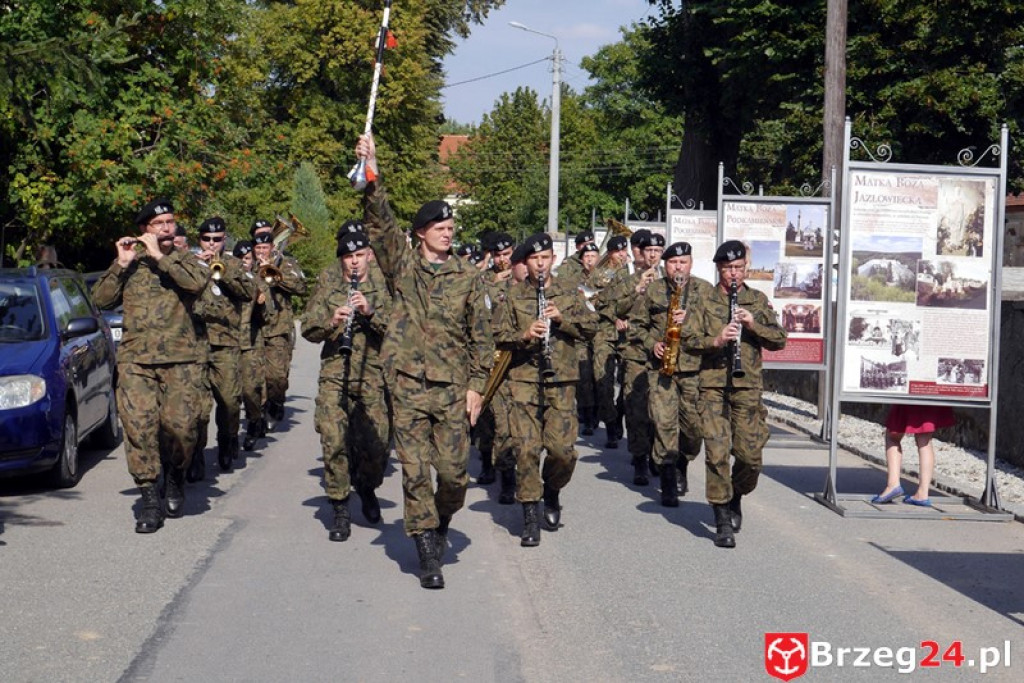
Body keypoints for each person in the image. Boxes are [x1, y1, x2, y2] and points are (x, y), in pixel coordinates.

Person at [357, 132, 493, 590]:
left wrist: (477, 387)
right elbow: (379, 223)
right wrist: (372, 170)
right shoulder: (402, 266)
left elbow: (482, 338)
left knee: (454, 476)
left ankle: (441, 518)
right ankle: (427, 550)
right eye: (439, 227)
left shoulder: (467, 276)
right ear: (420, 233)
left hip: (452, 389)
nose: (447, 232)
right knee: (414, 472)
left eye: (451, 227)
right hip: (408, 385)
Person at [91, 198, 207, 533]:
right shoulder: (131, 263)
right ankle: (150, 501)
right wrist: (120, 263)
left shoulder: (186, 260)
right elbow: (100, 299)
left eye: (171, 222)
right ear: (145, 229)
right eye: (160, 224)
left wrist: (160, 257)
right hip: (136, 362)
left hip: (181, 362)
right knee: (139, 429)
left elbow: (197, 285)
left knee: (182, 430)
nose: (168, 228)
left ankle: (175, 476)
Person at [680, 240, 787, 548]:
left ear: (746, 268)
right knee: (716, 453)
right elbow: (687, 339)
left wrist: (753, 325)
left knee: (750, 456)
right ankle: (722, 517)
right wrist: (715, 341)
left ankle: (736, 494)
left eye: (738, 268)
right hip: (712, 386)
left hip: (748, 386)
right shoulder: (703, 300)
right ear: (719, 269)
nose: (733, 274)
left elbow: (779, 339)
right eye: (728, 268)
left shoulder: (756, 299)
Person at [494, 233, 597, 546]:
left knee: (562, 451)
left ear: (553, 259)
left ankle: (551, 491)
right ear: (526, 263)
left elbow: (591, 327)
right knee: (526, 449)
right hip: (524, 380)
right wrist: (525, 334)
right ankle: (529, 514)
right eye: (534, 259)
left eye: (545, 258)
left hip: (561, 380)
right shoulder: (513, 295)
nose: (540, 264)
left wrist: (562, 320)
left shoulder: (569, 290)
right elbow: (497, 334)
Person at [301, 228, 392, 540]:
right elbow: (308, 328)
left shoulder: (383, 286)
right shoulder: (329, 285)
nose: (354, 262)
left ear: (369, 255)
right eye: (348, 257)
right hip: (335, 374)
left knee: (377, 446)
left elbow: (400, 330)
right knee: (333, 440)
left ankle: (366, 486)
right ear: (341, 260)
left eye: (359, 255)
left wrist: (370, 313)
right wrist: (331, 321)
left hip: (372, 376)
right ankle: (339, 507)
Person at [641, 242, 714, 505]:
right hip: (662, 371)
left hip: (694, 369)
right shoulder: (654, 290)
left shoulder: (705, 290)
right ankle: (668, 478)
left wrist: (689, 321)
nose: (678, 267)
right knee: (663, 423)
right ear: (665, 265)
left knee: (694, 428)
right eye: (673, 262)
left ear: (691, 264)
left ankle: (683, 460)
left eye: (683, 262)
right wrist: (652, 344)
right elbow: (638, 325)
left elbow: (715, 329)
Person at [192, 217, 254, 472]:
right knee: (198, 406)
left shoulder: (234, 264)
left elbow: (249, 292)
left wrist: (223, 271)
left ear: (224, 239)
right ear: (200, 240)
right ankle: (196, 454)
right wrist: (200, 268)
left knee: (229, 401)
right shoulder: (191, 263)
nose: (212, 244)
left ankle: (227, 441)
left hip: (226, 343)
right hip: (197, 342)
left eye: (217, 239)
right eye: (207, 239)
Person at [610, 232, 664, 484]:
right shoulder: (630, 278)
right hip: (635, 351)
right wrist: (637, 289)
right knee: (637, 408)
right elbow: (616, 308)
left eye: (657, 251)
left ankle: (655, 452)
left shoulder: (669, 280)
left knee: (659, 409)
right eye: (648, 250)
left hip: (662, 353)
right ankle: (640, 458)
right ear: (642, 252)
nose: (652, 255)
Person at [251, 221, 306, 427]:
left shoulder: (286, 263)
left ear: (272, 247)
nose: (261, 252)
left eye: (264, 248)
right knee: (255, 378)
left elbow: (301, 287)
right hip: (254, 329)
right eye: (258, 248)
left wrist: (275, 275)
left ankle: (276, 402)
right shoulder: (248, 264)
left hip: (278, 328)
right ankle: (259, 415)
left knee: (277, 377)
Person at [474, 231, 515, 485]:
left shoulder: (520, 277)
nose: (502, 260)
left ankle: (508, 474)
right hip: (489, 354)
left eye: (506, 254)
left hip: (514, 355)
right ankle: (486, 461)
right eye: (498, 255)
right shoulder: (482, 279)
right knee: (486, 416)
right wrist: (495, 282)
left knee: (507, 419)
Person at [589, 235, 630, 449]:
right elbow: (593, 300)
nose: (622, 255)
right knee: (602, 382)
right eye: (618, 252)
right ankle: (611, 424)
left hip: (627, 335)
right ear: (610, 253)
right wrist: (613, 317)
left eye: (624, 251)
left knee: (628, 383)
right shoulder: (599, 274)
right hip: (604, 332)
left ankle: (620, 411)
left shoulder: (631, 272)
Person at [871, 404, 955, 506]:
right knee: (924, 440)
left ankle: (893, 485)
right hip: (930, 398)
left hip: (910, 398)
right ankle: (923, 493)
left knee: (892, 436)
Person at [232, 240, 269, 452]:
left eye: (247, 259)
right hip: (228, 342)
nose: (244, 262)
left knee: (250, 390)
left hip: (251, 343)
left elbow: (268, 316)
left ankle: (254, 421)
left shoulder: (259, 281)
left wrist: (262, 304)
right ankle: (229, 437)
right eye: (240, 258)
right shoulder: (225, 279)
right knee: (230, 395)